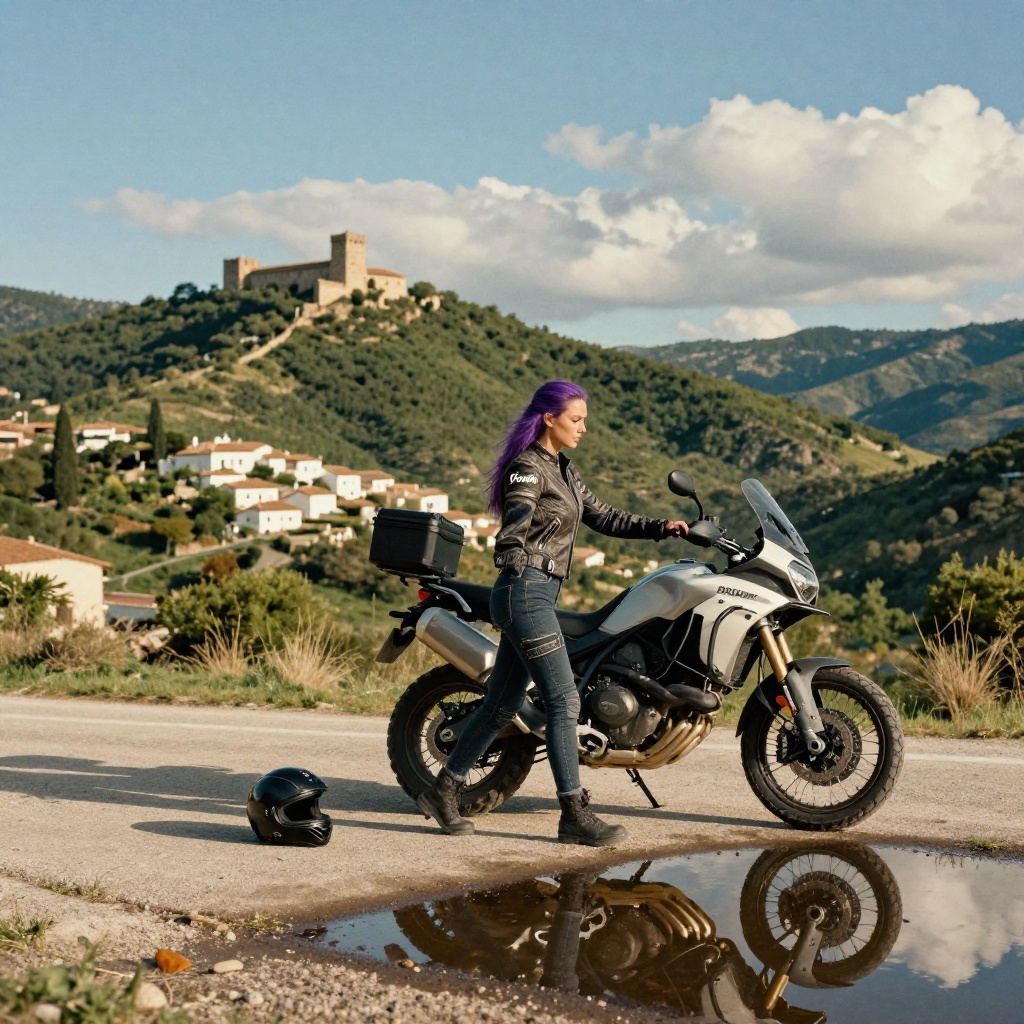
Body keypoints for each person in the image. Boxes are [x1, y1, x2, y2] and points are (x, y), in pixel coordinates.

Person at [417, 380, 688, 846]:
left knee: (501, 705)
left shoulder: (562, 468)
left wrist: (662, 527)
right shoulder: (528, 469)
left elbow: (604, 517)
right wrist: (511, 554)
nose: (583, 428)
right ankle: (574, 814)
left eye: (584, 419)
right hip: (525, 592)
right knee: (565, 703)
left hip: (540, 595)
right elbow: (516, 521)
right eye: (576, 419)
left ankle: (444, 791)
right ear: (549, 418)